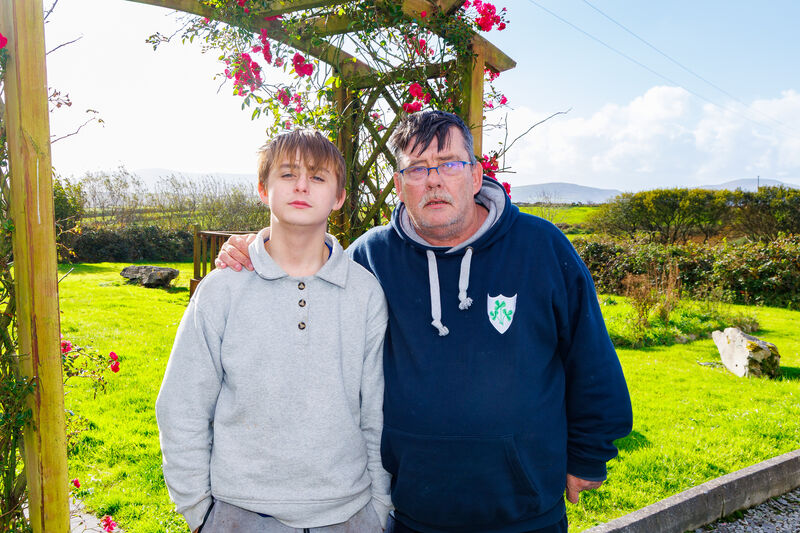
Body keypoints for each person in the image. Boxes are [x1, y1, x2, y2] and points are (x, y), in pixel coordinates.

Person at [215, 110, 633, 533]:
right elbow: (303, 270)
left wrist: (588, 454)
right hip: (413, 510)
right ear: (398, 186)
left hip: (525, 510)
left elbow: (590, 355)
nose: (434, 180)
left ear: (474, 175)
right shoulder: (371, 258)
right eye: (416, 169)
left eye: (449, 164)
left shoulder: (540, 247)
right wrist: (257, 246)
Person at [156, 129, 392, 533]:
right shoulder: (223, 288)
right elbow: (183, 406)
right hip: (237, 514)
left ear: (338, 199)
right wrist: (199, 511)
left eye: (318, 177)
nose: (302, 185)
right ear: (263, 189)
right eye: (287, 174)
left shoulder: (365, 293)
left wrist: (379, 507)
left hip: (350, 514)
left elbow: (376, 413)